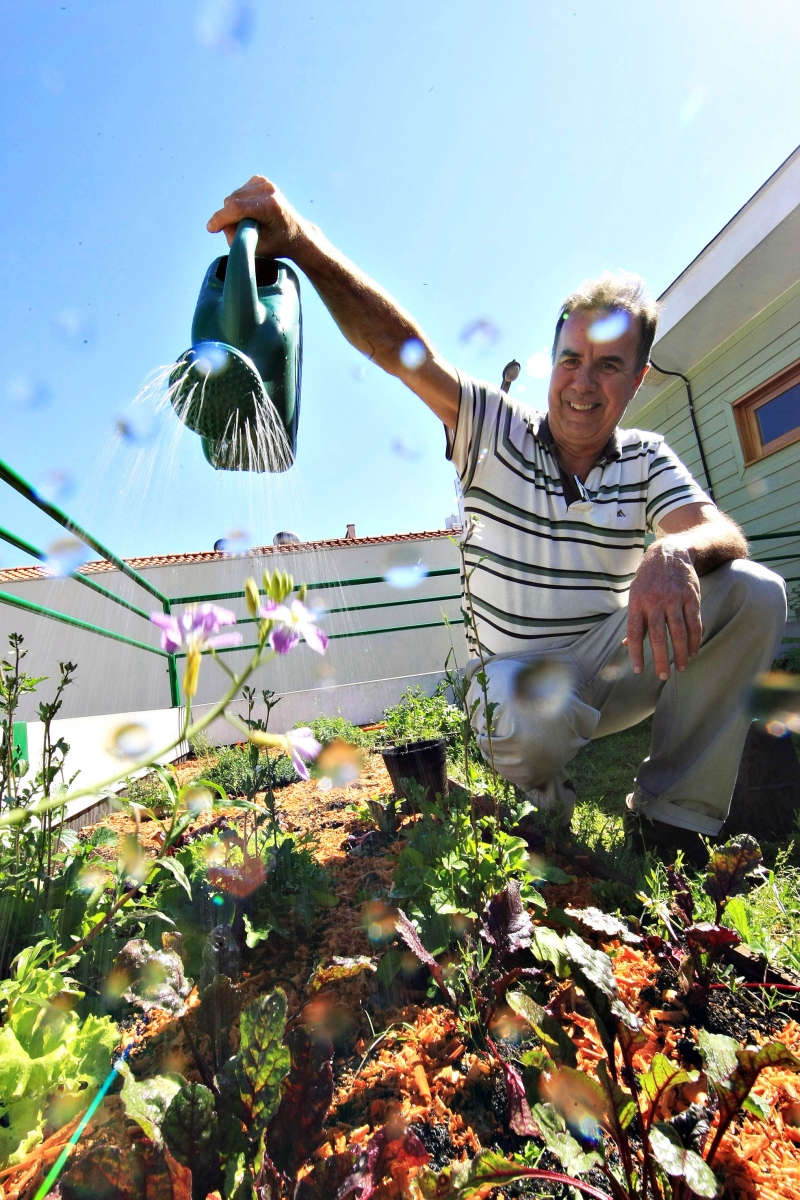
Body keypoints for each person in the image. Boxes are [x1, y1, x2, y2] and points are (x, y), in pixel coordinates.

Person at [207, 176, 788, 859]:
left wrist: (679, 552)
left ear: (635, 381)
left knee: (753, 591)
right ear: (552, 363)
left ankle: (671, 823)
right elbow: (399, 347)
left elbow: (722, 533)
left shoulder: (646, 457)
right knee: (519, 705)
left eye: (608, 366)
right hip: (515, 691)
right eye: (571, 359)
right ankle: (540, 815)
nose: (582, 382)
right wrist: (301, 244)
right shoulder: (494, 428)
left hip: (610, 668)